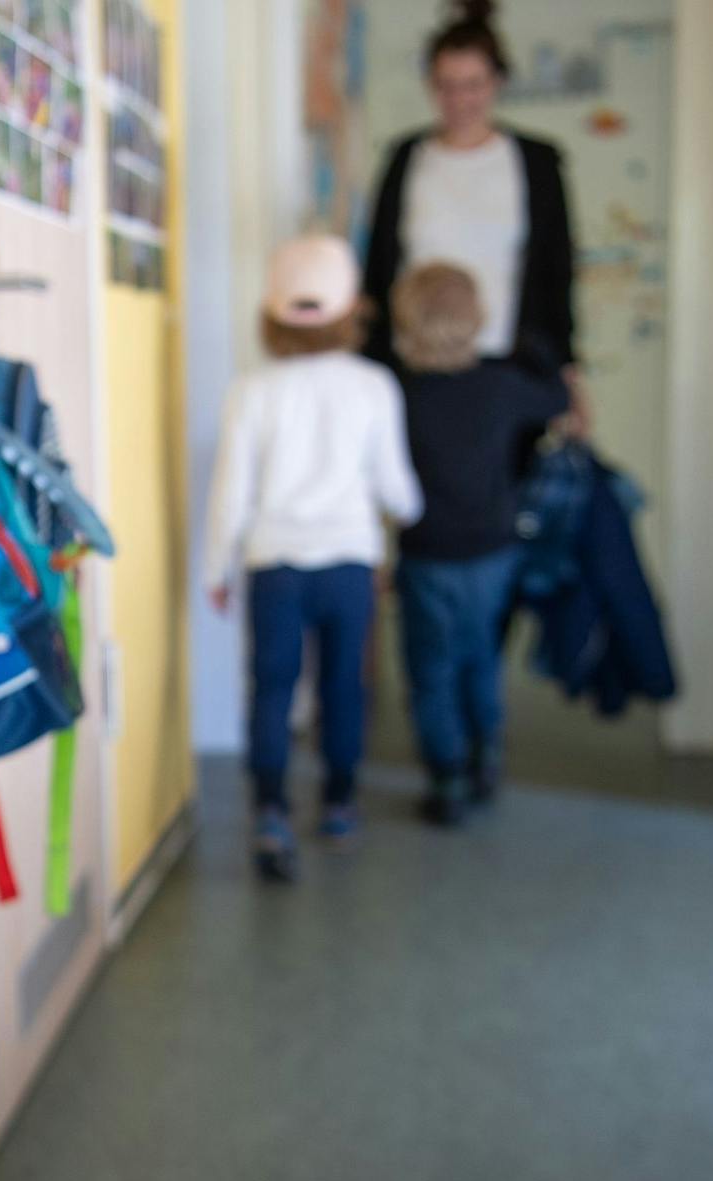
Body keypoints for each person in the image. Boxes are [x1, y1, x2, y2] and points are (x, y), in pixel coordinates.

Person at [204, 235, 424, 883]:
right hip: (350, 564)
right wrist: (411, 512)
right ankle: (338, 804)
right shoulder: (374, 386)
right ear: (352, 311)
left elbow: (231, 490)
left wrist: (217, 568)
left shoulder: (251, 390)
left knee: (271, 687)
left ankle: (270, 810)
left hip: (274, 564)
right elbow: (397, 490)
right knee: (342, 688)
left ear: (270, 314)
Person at [391, 263, 572, 826]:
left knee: (430, 667)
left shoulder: (400, 392)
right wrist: (536, 353)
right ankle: (485, 756)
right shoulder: (500, 385)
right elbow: (555, 399)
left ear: (407, 321)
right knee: (481, 658)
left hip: (426, 552)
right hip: (493, 550)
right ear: (478, 318)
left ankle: (445, 776)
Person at [361, 0, 584, 410]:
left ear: (497, 81)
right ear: (431, 84)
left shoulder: (536, 162)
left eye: (473, 84)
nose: (459, 99)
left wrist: (569, 369)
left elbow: (557, 270)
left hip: (510, 365)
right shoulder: (406, 158)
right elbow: (377, 267)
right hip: (414, 369)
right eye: (446, 85)